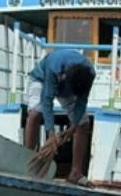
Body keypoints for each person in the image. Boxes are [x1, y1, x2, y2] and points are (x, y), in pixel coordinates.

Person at [25, 49, 96, 187]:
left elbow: (81, 102)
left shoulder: (89, 73)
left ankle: (75, 173)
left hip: (69, 87)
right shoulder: (54, 66)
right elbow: (47, 100)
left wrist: (73, 126)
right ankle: (26, 161)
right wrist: (51, 133)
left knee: (83, 124)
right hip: (41, 79)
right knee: (34, 114)